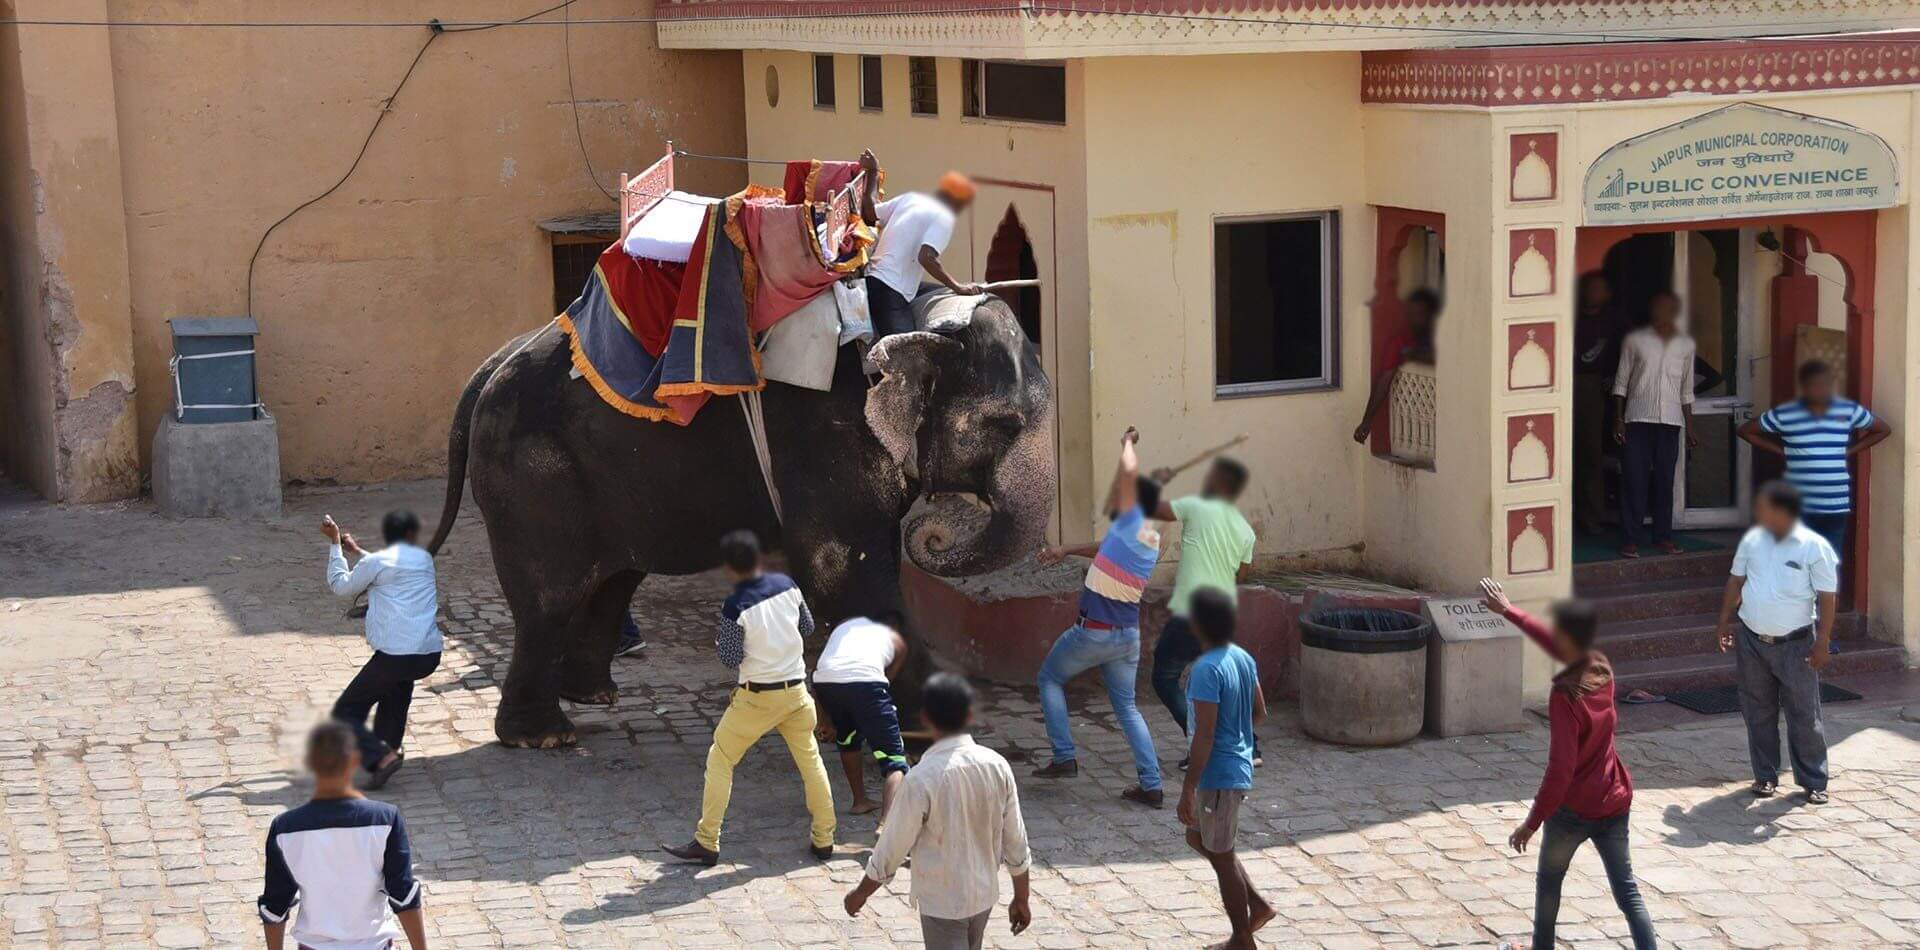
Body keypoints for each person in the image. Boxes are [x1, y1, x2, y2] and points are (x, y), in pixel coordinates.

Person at [1478, 580, 1656, 950]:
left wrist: (1532, 823)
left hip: (1573, 812)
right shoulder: (1601, 668)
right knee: (1628, 892)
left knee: (1549, 884)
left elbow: (1560, 770)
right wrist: (1509, 610)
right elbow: (1553, 643)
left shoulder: (1565, 697)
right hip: (1614, 799)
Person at [664, 530, 836, 865]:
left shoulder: (735, 605)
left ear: (730, 568)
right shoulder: (788, 585)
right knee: (811, 762)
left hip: (758, 698)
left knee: (720, 759)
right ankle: (824, 837)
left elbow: (729, 657)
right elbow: (807, 628)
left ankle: (707, 839)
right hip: (797, 693)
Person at [845, 673, 1032, 950]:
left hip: (941, 901)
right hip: (983, 893)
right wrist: (1021, 897)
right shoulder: (997, 765)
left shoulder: (921, 778)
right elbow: (1016, 839)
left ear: (926, 719)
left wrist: (861, 893)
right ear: (970, 714)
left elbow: (893, 846)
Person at [1032, 425, 1164, 807]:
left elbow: (1128, 472)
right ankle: (1151, 784)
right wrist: (1066, 550)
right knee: (1127, 707)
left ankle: (1064, 757)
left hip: (1093, 634)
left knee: (1050, 678)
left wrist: (1126, 443)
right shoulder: (1148, 543)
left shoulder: (1126, 525)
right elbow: (1102, 547)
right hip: (1127, 638)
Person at [1713, 481, 1837, 804]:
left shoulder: (1813, 546)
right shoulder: (1752, 542)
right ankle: (1765, 776)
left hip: (1796, 643)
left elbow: (1827, 597)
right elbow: (1736, 581)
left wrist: (1822, 641)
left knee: (1804, 713)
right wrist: (1724, 621)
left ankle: (1813, 781)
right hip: (1753, 639)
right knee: (1757, 710)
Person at [259, 721, 426, 950]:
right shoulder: (385, 820)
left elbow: (275, 907)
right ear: (355, 762)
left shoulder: (285, 829)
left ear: (309, 765)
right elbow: (404, 896)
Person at [1175, 588, 1272, 950]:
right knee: (1200, 839)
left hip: (1219, 775)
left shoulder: (1205, 670)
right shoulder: (1242, 657)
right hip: (1235, 766)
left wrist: (1187, 787)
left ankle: (1242, 937)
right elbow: (1260, 712)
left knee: (1222, 852)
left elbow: (1205, 734)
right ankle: (1257, 905)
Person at [1147, 456, 1259, 767]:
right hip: (1222, 617)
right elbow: (1240, 577)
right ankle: (1250, 746)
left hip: (1190, 615)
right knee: (1218, 679)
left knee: (1165, 677)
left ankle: (1204, 742)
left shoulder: (1197, 507)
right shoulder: (1246, 531)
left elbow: (1153, 509)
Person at [323, 510, 443, 790]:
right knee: (395, 695)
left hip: (396, 655)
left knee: (345, 712)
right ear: (413, 535)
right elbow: (389, 570)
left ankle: (381, 756)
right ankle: (388, 751)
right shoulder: (424, 560)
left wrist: (334, 546)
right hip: (428, 653)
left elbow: (341, 587)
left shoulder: (378, 562)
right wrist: (357, 552)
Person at [1738, 359, 1890, 560]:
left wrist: (1850, 451)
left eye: (1825, 384)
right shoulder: (1786, 414)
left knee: (1828, 567)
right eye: (1814, 385)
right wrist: (1781, 450)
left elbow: (1883, 429)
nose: (1820, 390)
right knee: (1797, 566)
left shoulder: (1848, 411)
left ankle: (1824, 593)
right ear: (1804, 387)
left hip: (1836, 506)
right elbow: (1746, 431)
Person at [857, 148, 981, 337]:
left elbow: (869, 211)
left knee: (942, 292)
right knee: (908, 356)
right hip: (890, 291)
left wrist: (873, 172)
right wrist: (958, 287)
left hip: (871, 278)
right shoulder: (944, 217)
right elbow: (926, 257)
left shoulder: (911, 199)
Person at [1612, 290, 1696, 558]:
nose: (1660, 311)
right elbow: (1621, 382)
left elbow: (1686, 390)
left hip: (1670, 422)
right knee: (1634, 480)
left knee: (1664, 481)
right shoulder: (1635, 341)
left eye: (1666, 307)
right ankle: (1630, 540)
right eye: (1657, 306)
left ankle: (1662, 537)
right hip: (1637, 419)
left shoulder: (1686, 345)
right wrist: (1619, 418)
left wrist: (1691, 426)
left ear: (1675, 311)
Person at [812, 612, 911, 821]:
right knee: (895, 761)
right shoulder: (898, 642)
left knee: (848, 740)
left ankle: (860, 802)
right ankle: (887, 825)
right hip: (867, 685)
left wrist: (825, 722)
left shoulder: (844, 626)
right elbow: (885, 679)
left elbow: (817, 674)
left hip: (826, 685)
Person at [1572, 272, 1628, 535]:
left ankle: (1591, 518)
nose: (1594, 292)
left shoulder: (1614, 320)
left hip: (1593, 386)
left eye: (1599, 288)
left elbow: (1628, 351)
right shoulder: (1569, 314)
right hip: (1564, 382)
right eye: (1590, 288)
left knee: (1590, 454)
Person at [1353, 288, 1442, 445]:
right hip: (1418, 418)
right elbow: (1383, 380)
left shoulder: (1443, 336)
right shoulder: (1401, 341)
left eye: (1421, 314)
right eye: (1412, 314)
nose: (1416, 319)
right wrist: (1366, 421)